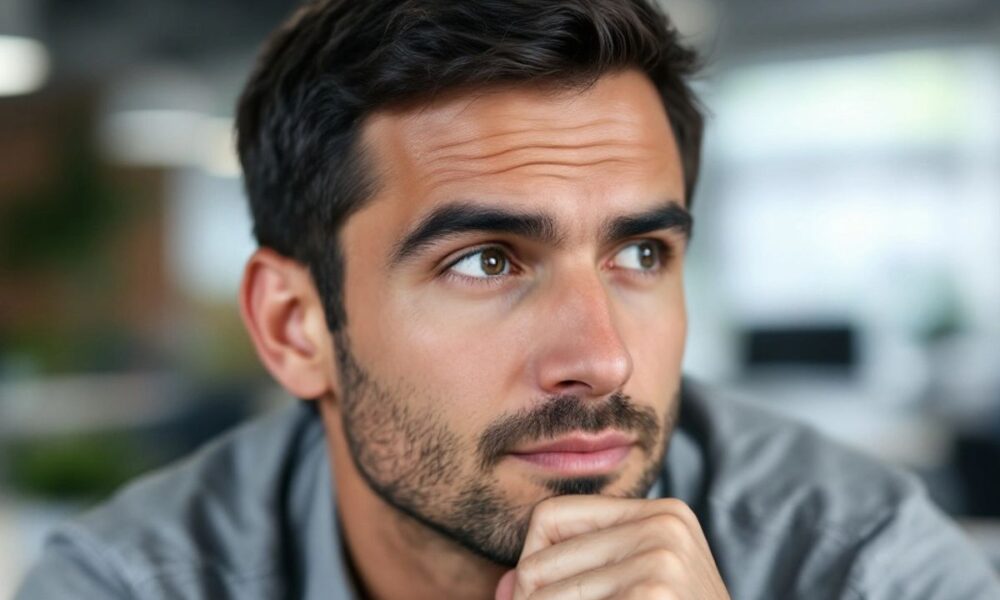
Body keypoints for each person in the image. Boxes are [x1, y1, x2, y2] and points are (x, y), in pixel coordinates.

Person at [15, 0, 1000, 598]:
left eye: (641, 252)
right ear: (293, 325)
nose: (602, 357)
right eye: (486, 261)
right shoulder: (136, 582)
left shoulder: (857, 558)